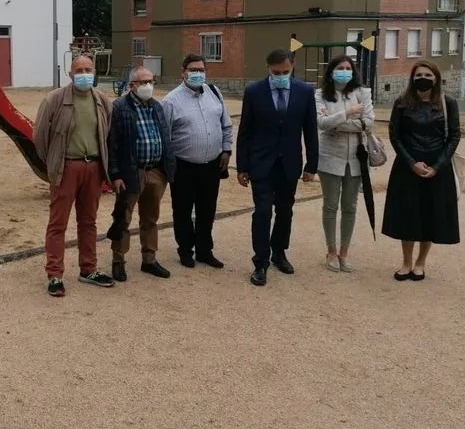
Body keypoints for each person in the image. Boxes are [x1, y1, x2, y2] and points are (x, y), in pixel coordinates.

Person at [33, 55, 115, 297]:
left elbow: (107, 132)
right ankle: (55, 275)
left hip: (94, 167)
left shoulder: (102, 101)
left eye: (88, 69)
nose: (84, 73)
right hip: (66, 167)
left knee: (88, 221)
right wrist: (54, 163)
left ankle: (88, 269)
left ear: (94, 72)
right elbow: (40, 138)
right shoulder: (54, 100)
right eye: (79, 70)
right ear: (70, 74)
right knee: (58, 223)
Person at [236, 49, 319, 286]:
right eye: (276, 72)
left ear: (292, 66)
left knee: (285, 211)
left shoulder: (304, 91)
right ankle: (260, 261)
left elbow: (310, 130)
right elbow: (245, 131)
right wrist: (242, 166)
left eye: (285, 71)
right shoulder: (254, 91)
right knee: (262, 211)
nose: (281, 75)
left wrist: (312, 165)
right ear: (268, 69)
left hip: (289, 163)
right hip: (261, 163)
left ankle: (279, 252)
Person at [381, 61, 461, 281]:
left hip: (437, 168)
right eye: (418, 74)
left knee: (430, 214)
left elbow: (454, 135)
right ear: (412, 78)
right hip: (408, 167)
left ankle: (420, 262)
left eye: (427, 74)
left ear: (435, 77)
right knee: (408, 215)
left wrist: (437, 166)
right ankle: (406, 262)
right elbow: (395, 136)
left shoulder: (448, 103)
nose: (423, 78)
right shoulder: (402, 103)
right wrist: (411, 162)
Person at [161, 54, 233, 269]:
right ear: (183, 72)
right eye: (193, 70)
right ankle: (185, 250)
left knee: (207, 209)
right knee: (182, 210)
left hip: (212, 165)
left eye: (201, 70)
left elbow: (226, 125)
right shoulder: (171, 101)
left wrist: (226, 150)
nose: (198, 73)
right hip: (184, 166)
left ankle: (204, 250)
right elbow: (165, 136)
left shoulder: (214, 93)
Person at [106, 66, 175, 282]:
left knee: (150, 218)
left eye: (151, 82)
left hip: (155, 171)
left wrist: (166, 170)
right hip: (130, 173)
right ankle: (118, 261)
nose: (148, 86)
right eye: (143, 82)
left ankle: (149, 259)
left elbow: (165, 135)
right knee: (122, 217)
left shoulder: (156, 106)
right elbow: (113, 144)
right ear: (132, 85)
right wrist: (115, 175)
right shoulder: (119, 108)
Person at [315, 55, 375, 272]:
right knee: (330, 205)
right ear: (331, 71)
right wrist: (348, 113)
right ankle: (331, 250)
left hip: (356, 158)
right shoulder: (320, 95)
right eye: (340, 67)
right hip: (330, 156)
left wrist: (337, 123)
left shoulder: (362, 93)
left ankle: (344, 252)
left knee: (350, 206)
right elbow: (321, 123)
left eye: (348, 67)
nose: (344, 71)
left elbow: (368, 123)